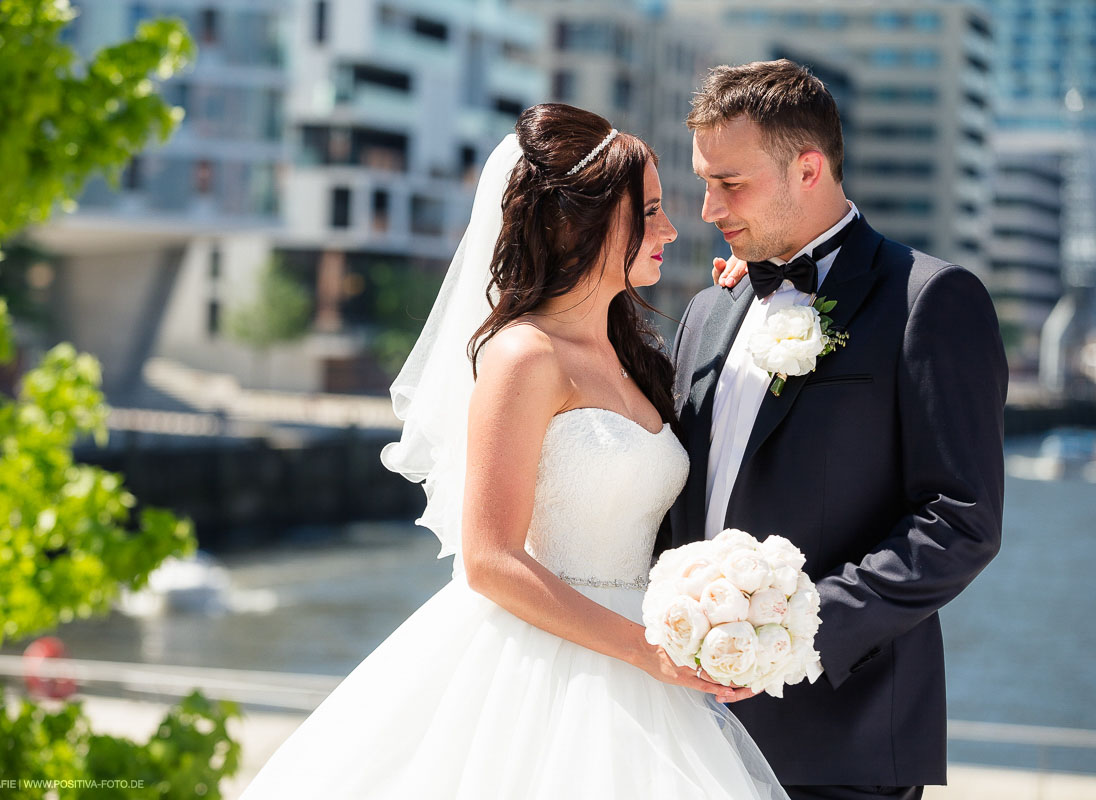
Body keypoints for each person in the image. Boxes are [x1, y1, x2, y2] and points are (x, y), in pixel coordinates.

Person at [239, 104, 788, 799]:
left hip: (648, 669)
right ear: (579, 221)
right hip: (554, 665)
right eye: (648, 213)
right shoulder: (524, 356)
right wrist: (643, 651)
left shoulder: (632, 355)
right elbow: (490, 560)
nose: (672, 231)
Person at [663, 60, 1008, 800]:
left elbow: (960, 520)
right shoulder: (706, 311)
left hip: (841, 739)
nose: (707, 209)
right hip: (682, 733)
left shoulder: (930, 300)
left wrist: (791, 638)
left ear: (808, 168)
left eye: (730, 184)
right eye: (703, 181)